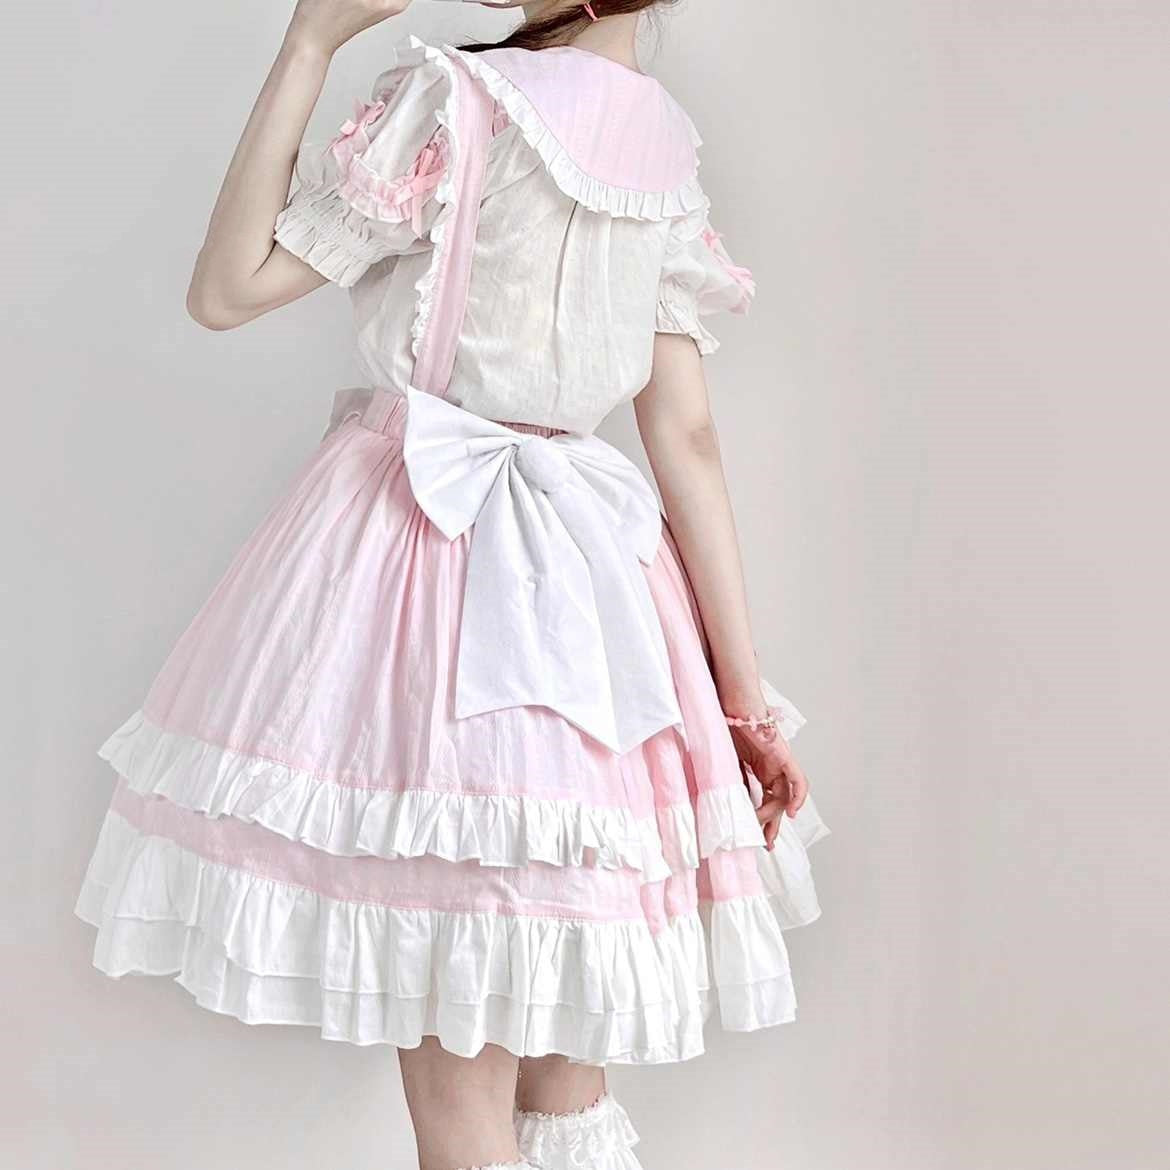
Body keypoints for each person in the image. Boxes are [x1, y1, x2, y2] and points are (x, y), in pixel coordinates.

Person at [75, 3, 829, 1167]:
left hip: (427, 561)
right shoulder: (664, 146)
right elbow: (686, 439)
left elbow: (227, 289)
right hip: (601, 606)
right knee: (565, 1077)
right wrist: (743, 706)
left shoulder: (454, 97)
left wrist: (310, 41)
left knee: (463, 1091)